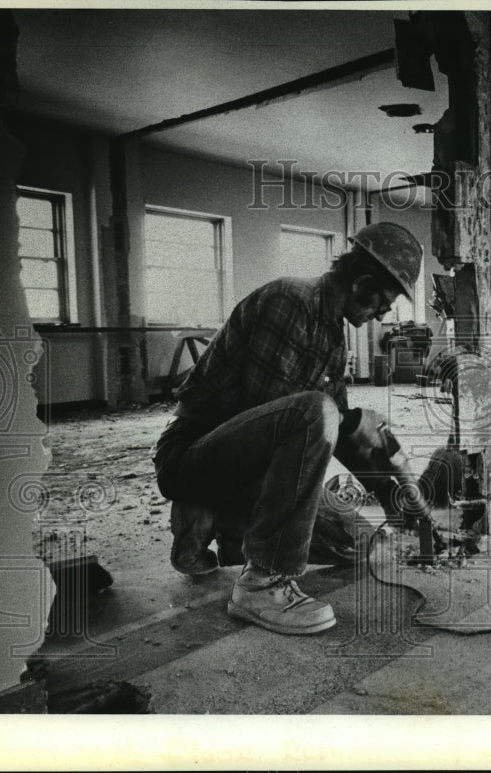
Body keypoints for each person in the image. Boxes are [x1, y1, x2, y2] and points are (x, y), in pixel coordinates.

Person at [153, 222, 423, 635]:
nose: (383, 315)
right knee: (317, 411)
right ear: (361, 283)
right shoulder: (290, 300)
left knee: (360, 543)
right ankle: (261, 581)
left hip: (239, 462)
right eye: (382, 303)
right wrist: (351, 420)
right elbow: (270, 413)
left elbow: (344, 438)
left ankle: (219, 523)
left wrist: (400, 503)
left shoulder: (333, 334)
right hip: (193, 453)